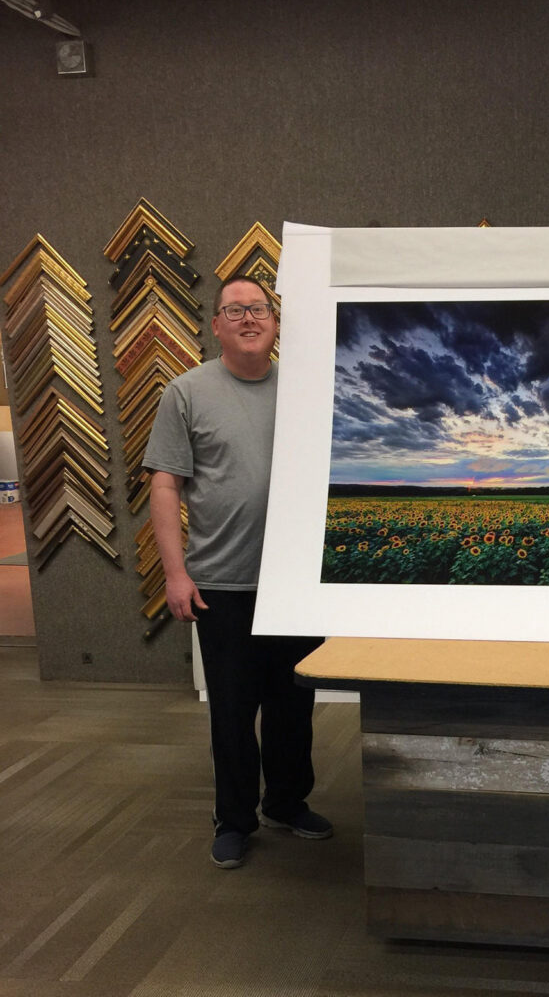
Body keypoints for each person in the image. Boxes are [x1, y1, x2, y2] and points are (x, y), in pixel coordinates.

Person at [144, 274, 331, 869]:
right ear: (217, 325)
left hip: (295, 583)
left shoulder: (306, 391)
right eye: (235, 310)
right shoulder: (186, 392)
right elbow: (165, 483)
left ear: (275, 323)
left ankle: (286, 802)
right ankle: (234, 819)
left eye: (259, 309)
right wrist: (175, 573)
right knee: (230, 710)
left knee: (292, 705)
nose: (248, 318)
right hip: (221, 582)